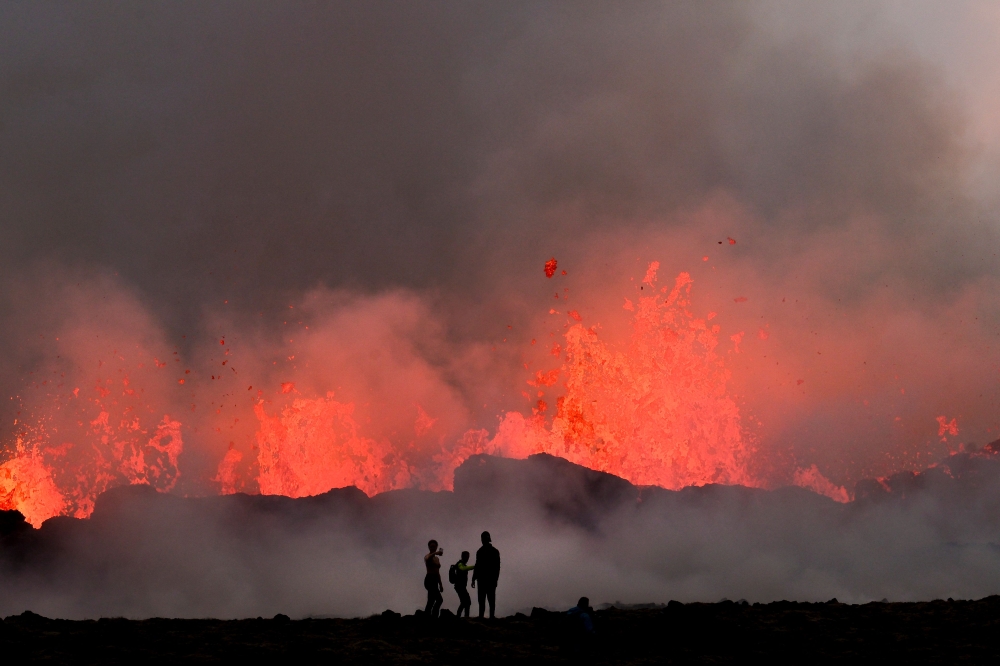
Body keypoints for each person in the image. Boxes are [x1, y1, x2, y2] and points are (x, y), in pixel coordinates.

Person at [471, 531, 500, 618]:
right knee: (487, 600)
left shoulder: (481, 551)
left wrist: (474, 578)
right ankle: (488, 617)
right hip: (487, 579)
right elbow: (497, 567)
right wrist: (473, 578)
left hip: (484, 579)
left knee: (485, 600)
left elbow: (496, 567)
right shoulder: (492, 551)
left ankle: (483, 617)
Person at [450, 551, 475, 617]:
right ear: (462, 556)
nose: (467, 558)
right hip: (459, 586)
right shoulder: (460, 564)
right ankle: (462, 617)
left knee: (466, 602)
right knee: (465, 602)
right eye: (466, 557)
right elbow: (463, 568)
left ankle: (464, 616)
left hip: (461, 586)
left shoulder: (462, 564)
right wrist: (474, 566)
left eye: (468, 557)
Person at [423, 539, 444, 618]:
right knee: (439, 599)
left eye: (434, 547)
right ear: (429, 547)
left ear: (436, 547)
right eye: (431, 547)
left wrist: (440, 584)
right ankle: (433, 616)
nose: (432, 548)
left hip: (435, 579)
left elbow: (437, 572)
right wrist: (436, 553)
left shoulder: (437, 559)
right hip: (429, 579)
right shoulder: (427, 556)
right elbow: (428, 559)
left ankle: (428, 616)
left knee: (431, 600)